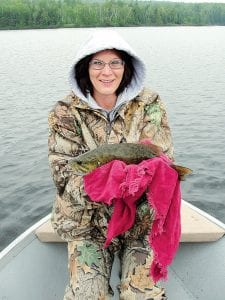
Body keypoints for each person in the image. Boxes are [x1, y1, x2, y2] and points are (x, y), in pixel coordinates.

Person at [48, 30, 174, 300]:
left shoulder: (149, 104)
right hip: (87, 226)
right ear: (86, 67)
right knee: (85, 296)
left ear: (126, 67)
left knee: (143, 296)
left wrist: (133, 178)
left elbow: (163, 163)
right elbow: (64, 179)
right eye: (98, 63)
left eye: (115, 62)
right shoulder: (64, 112)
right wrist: (115, 181)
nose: (107, 72)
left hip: (139, 224)